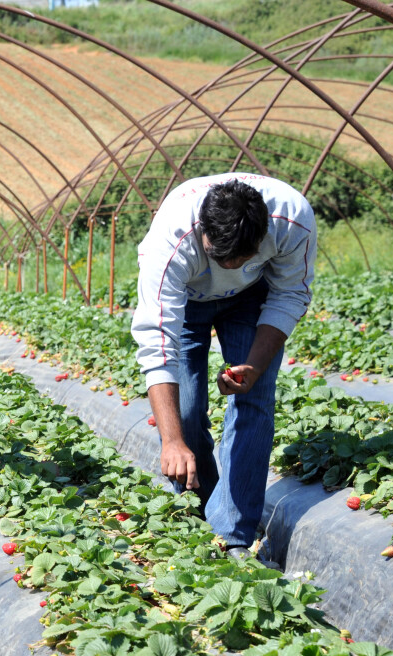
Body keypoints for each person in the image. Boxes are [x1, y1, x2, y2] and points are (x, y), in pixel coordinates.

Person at [131, 173, 316, 557]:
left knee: (255, 399)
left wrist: (254, 364)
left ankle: (231, 533)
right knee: (185, 413)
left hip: (251, 298)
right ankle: (202, 510)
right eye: (220, 255)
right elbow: (157, 337)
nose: (230, 264)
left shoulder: (292, 220)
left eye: (242, 257)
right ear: (203, 231)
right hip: (187, 303)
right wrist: (172, 440)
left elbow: (290, 293)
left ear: (263, 235)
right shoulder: (172, 237)